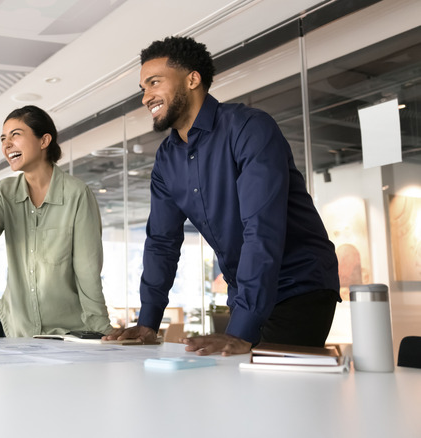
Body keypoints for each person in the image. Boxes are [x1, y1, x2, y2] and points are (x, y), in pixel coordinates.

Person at [105, 36, 339, 354]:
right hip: (245, 291)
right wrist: (148, 322)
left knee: (276, 395)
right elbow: (162, 241)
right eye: (143, 88)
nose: (146, 97)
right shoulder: (166, 159)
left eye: (154, 82)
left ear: (192, 79)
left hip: (298, 286)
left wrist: (241, 330)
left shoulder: (249, 129)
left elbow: (262, 229)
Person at [0, 105, 113, 337]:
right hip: (18, 331)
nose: (6, 145)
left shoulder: (76, 193)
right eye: (3, 138)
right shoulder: (5, 191)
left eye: (15, 135)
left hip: (68, 332)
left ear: (44, 140)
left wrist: (101, 330)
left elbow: (88, 270)